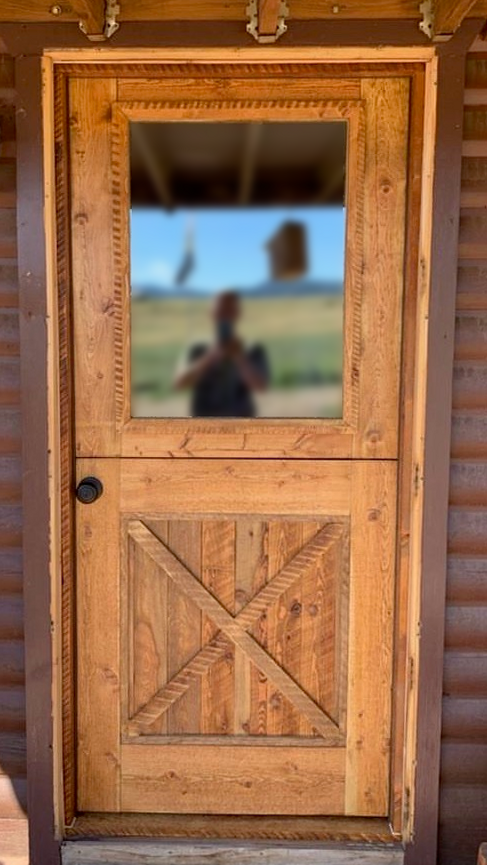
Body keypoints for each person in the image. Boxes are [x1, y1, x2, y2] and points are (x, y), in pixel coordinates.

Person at [174, 290, 269, 417]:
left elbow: (261, 387)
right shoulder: (197, 348)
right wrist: (209, 357)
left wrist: (239, 357)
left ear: (238, 314)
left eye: (229, 310)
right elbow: (179, 383)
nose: (225, 316)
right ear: (211, 313)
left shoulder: (252, 348)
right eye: (220, 311)